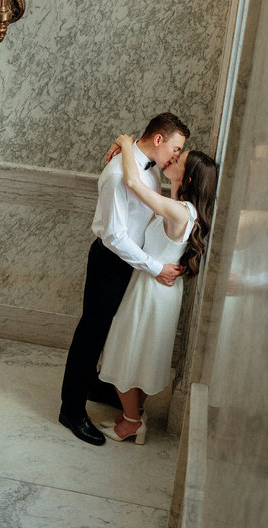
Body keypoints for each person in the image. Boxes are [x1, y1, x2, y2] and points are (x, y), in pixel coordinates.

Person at [58, 112, 189, 446]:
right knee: (91, 334)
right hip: (111, 261)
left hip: (133, 263)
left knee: (111, 331)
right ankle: (71, 409)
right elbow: (115, 236)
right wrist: (155, 267)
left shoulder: (149, 169)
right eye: (175, 148)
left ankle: (96, 386)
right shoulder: (119, 173)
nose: (176, 155)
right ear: (158, 139)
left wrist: (124, 140)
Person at [96, 134, 218, 443]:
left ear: (188, 178)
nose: (172, 158)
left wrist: (126, 143)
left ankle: (132, 422)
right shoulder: (181, 207)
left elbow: (133, 183)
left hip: (150, 291)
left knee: (124, 353)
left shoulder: (180, 211)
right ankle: (133, 414)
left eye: (179, 159)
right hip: (158, 289)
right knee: (141, 354)